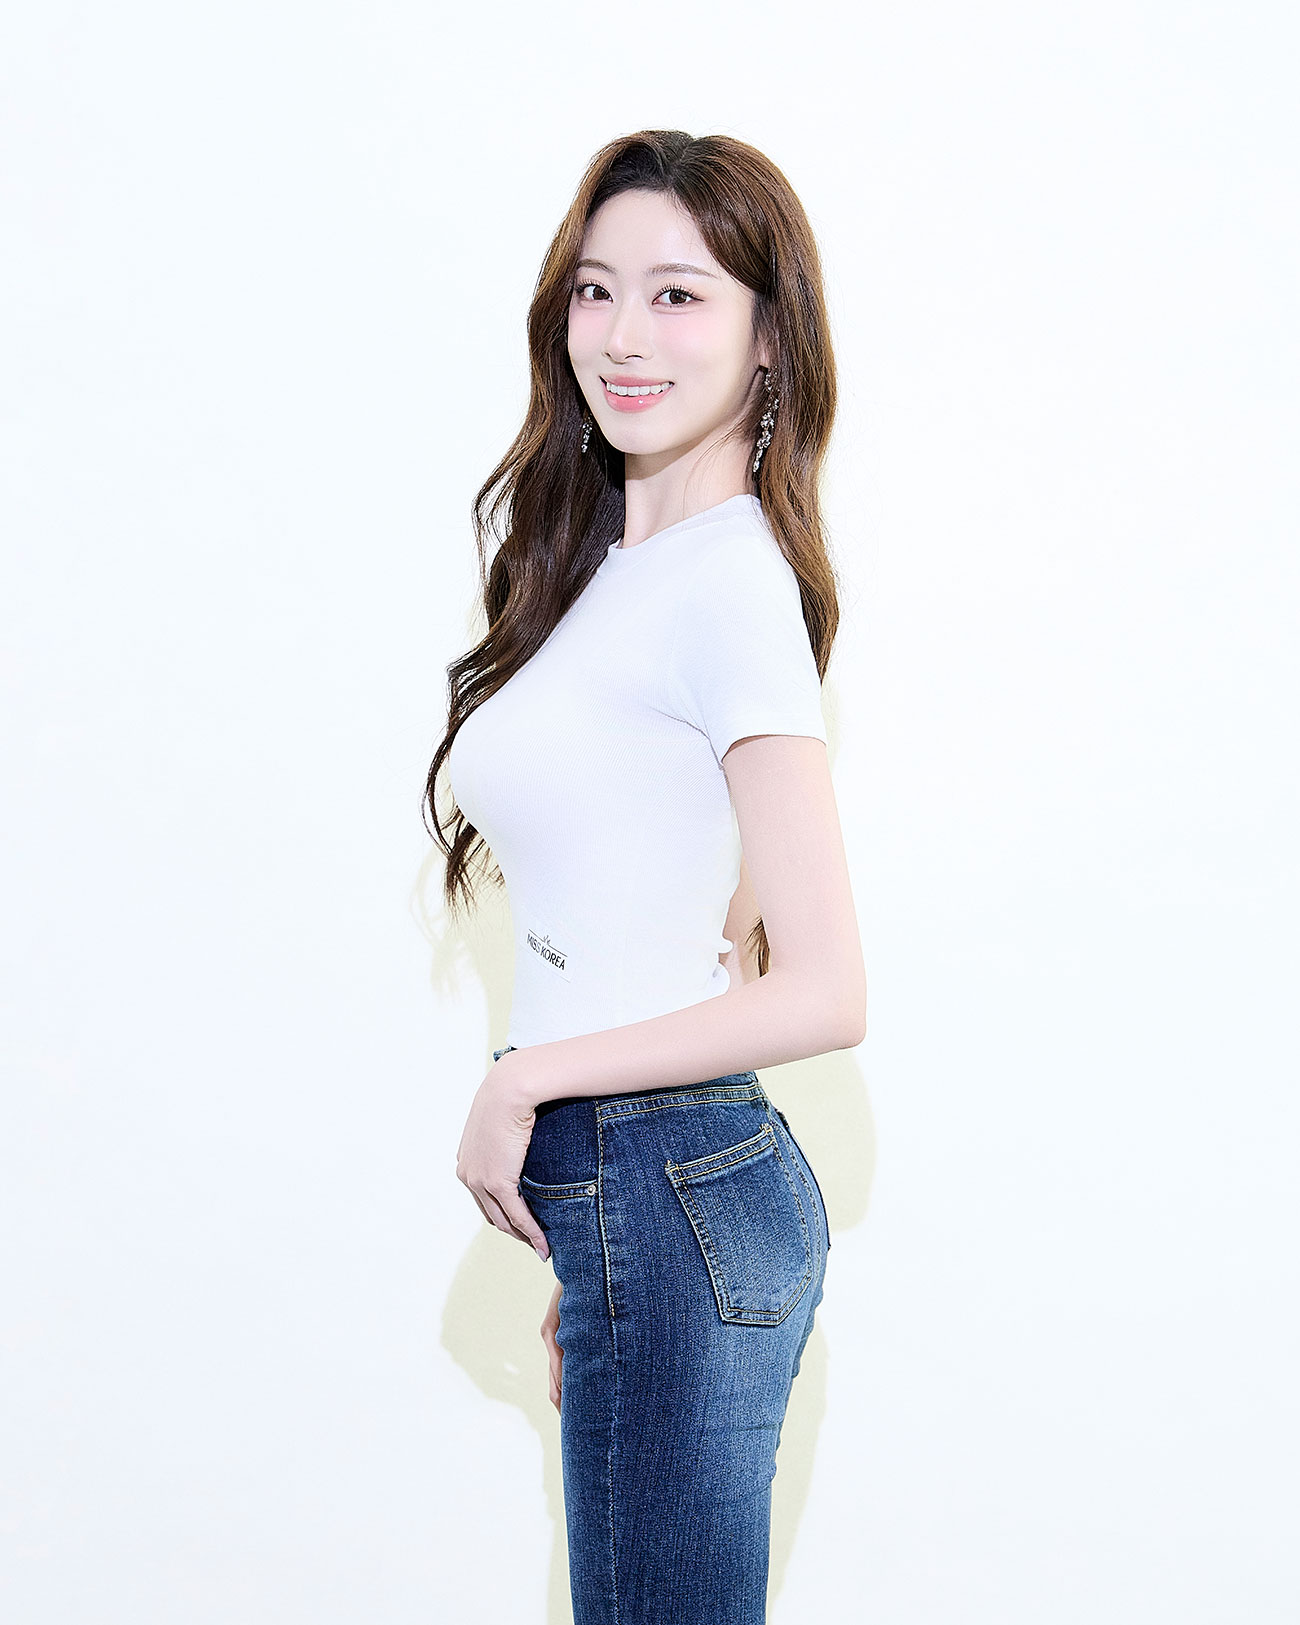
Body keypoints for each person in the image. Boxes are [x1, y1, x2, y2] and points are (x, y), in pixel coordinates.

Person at [425, 129, 865, 1625]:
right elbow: (681, 927)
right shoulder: (609, 571)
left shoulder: (733, 580)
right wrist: (611, 1233)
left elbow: (826, 988)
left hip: (664, 1175)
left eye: (679, 295)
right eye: (596, 288)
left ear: (768, 338)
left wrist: (528, 1079)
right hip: (647, 1196)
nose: (623, 334)